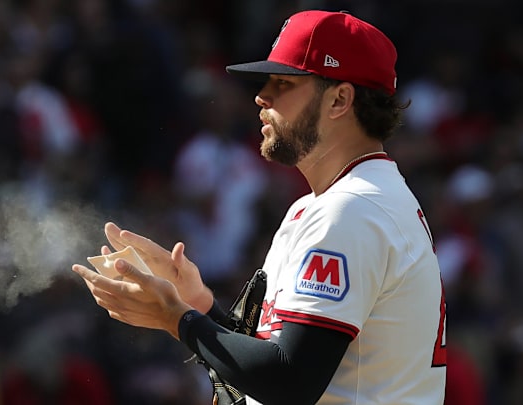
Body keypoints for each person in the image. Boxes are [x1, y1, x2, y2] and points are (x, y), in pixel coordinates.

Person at [72, 9, 447, 405]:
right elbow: (265, 367)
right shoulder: (331, 204)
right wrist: (197, 307)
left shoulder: (352, 209)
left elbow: (289, 381)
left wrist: (177, 319)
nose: (262, 95)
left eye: (284, 83)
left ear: (340, 99)